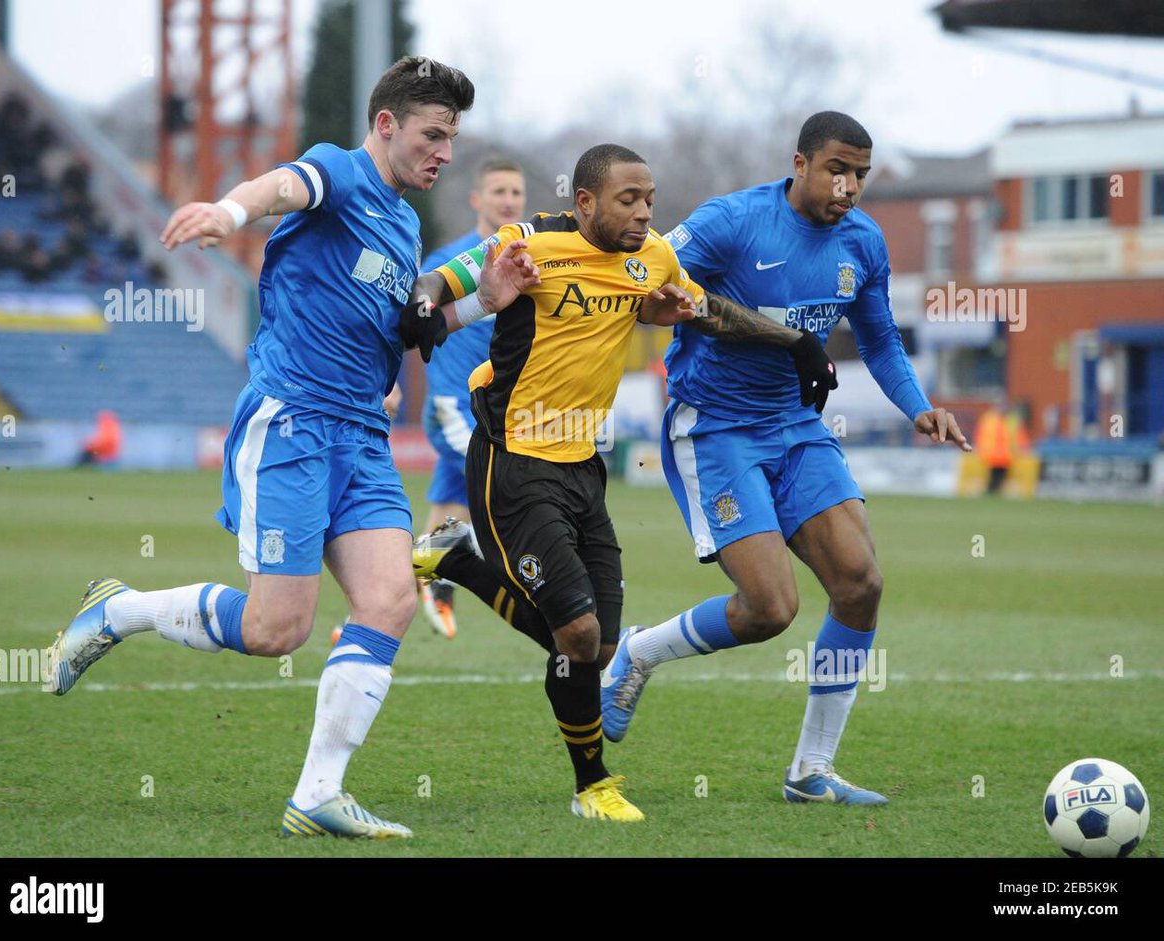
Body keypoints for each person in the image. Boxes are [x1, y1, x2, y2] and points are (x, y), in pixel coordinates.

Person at [44, 56, 532, 839]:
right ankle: (122, 608)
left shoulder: (405, 226)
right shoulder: (340, 173)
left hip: (362, 437)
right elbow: (281, 187)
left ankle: (317, 794)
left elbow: (412, 329)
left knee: (390, 600)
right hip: (294, 424)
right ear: (386, 125)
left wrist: (485, 301)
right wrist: (230, 213)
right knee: (278, 629)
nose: (444, 151)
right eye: (432, 134)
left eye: (451, 137)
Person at [409, 144, 825, 821]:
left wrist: (794, 341)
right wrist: (427, 308)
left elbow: (705, 309)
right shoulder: (527, 243)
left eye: (649, 200)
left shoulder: (652, 257)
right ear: (585, 203)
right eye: (627, 200)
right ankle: (592, 785)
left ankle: (452, 560)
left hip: (583, 469)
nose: (642, 213)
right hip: (512, 461)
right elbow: (439, 283)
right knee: (574, 634)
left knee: (596, 648)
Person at [601, 111, 971, 806]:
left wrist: (918, 405)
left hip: (797, 427)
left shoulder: (863, 241)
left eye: (860, 173)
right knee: (770, 608)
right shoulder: (732, 222)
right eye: (837, 169)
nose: (849, 186)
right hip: (714, 428)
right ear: (799, 164)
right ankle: (639, 652)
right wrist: (771, 335)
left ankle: (811, 770)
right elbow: (651, 288)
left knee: (860, 582)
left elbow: (882, 339)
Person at [417, 158, 527, 638]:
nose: (509, 200)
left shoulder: (528, 261)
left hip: (497, 409)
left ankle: (370, 613)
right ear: (477, 199)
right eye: (499, 191)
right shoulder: (449, 264)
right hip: (453, 406)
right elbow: (408, 324)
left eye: (516, 193)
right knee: (511, 481)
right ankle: (530, 580)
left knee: (445, 514)